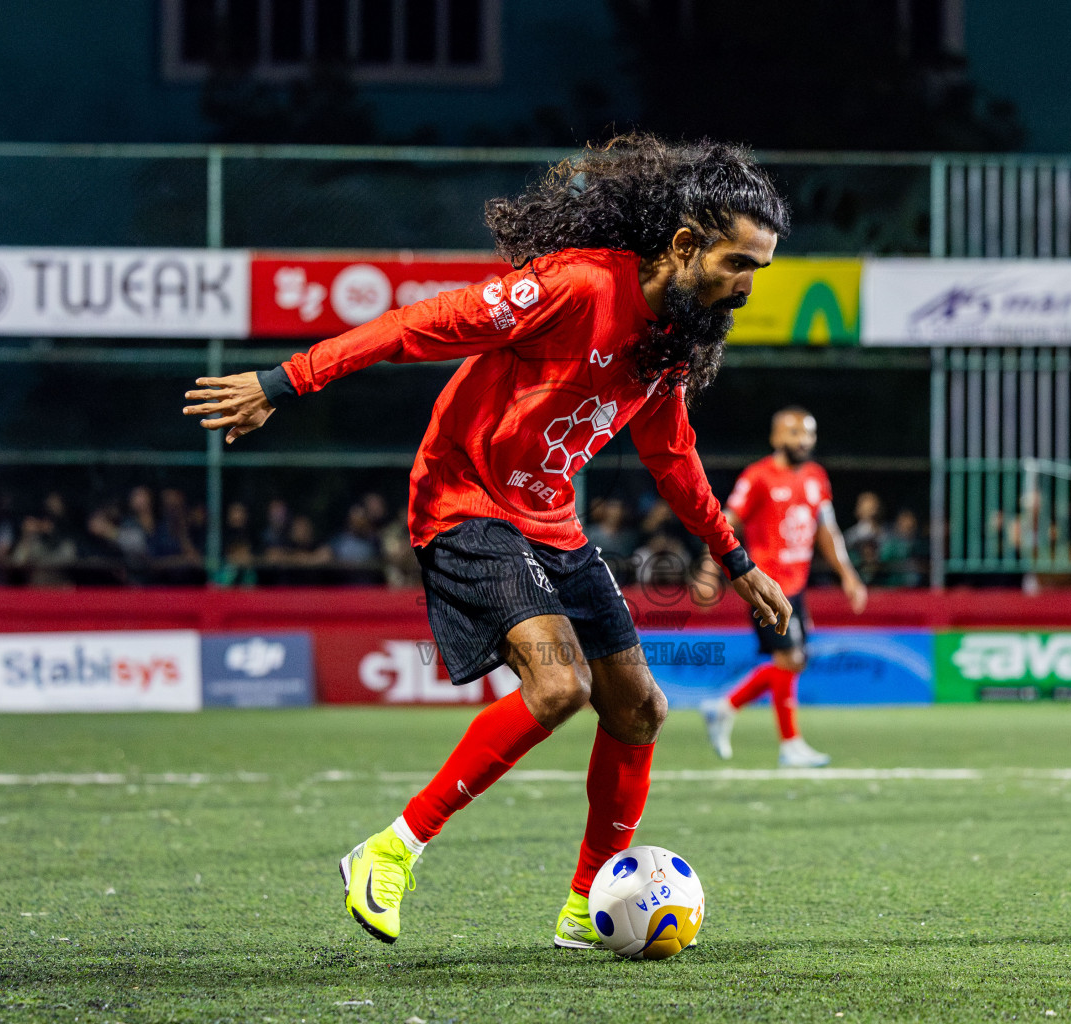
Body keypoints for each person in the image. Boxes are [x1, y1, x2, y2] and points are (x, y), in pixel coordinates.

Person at [183, 133, 792, 949]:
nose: (747, 287)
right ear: (684, 245)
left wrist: (738, 557)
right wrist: (285, 380)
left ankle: (585, 908)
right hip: (464, 501)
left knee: (641, 708)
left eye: (759, 269)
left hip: (550, 522)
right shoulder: (575, 288)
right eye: (738, 264)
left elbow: (672, 457)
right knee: (559, 685)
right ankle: (389, 850)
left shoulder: (671, 343)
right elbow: (418, 325)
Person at [700, 407, 868, 767]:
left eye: (808, 433)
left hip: (797, 585)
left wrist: (848, 574)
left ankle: (724, 706)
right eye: (793, 433)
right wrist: (709, 566)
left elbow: (827, 530)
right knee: (789, 658)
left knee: (794, 660)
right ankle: (789, 744)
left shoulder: (816, 478)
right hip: (766, 586)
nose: (802, 440)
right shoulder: (758, 477)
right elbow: (726, 522)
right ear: (776, 437)